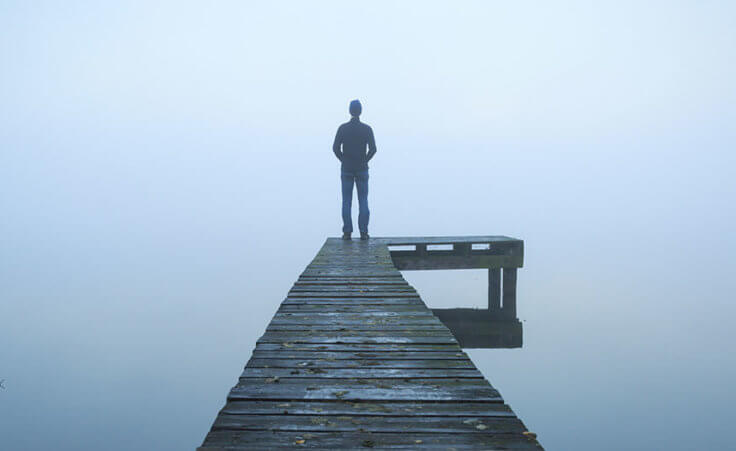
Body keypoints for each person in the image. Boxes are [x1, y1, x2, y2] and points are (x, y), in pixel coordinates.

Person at [332, 99, 377, 240]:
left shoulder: (343, 128)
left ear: (350, 111)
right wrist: (365, 160)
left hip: (347, 169)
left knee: (346, 201)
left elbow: (335, 148)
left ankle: (347, 232)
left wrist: (344, 160)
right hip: (362, 169)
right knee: (363, 200)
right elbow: (373, 149)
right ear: (360, 111)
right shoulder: (367, 129)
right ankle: (364, 232)